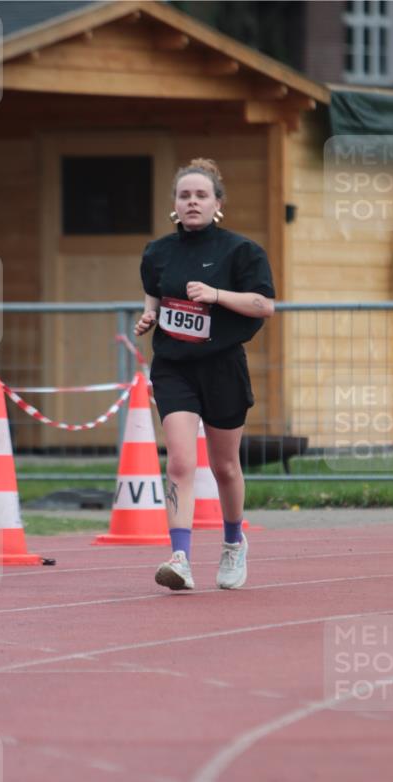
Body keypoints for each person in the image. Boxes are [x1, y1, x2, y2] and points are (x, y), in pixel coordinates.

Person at [135, 158, 275, 591]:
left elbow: (265, 306)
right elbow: (154, 297)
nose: (192, 202)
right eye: (184, 196)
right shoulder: (158, 253)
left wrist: (215, 294)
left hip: (222, 366)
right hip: (174, 366)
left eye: (201, 195)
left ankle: (233, 542)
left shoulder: (241, 252)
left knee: (225, 466)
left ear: (217, 204)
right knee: (180, 461)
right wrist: (148, 316)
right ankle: (180, 558)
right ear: (174, 205)